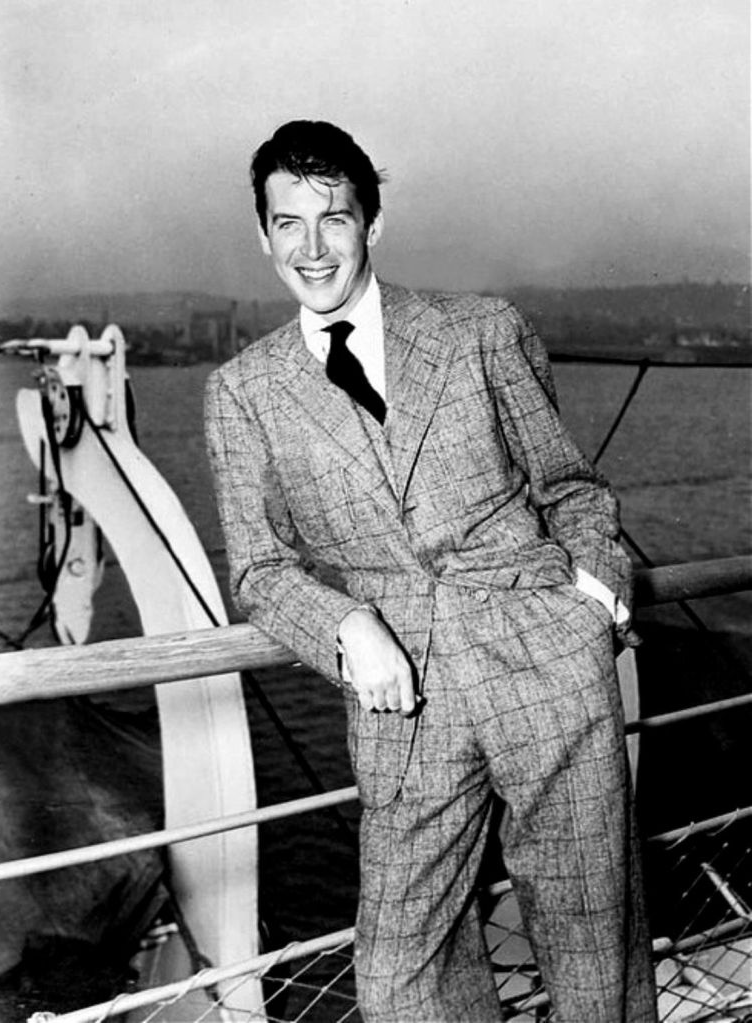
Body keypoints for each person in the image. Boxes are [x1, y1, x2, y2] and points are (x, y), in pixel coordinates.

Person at [205, 119, 657, 1022]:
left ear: (373, 221)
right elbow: (257, 568)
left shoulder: (480, 330)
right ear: (262, 234)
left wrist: (592, 606)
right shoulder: (242, 391)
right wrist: (345, 625)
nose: (311, 247)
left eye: (334, 218)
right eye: (288, 223)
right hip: (400, 705)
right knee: (399, 971)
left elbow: (569, 488)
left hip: (546, 668)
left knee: (591, 945)